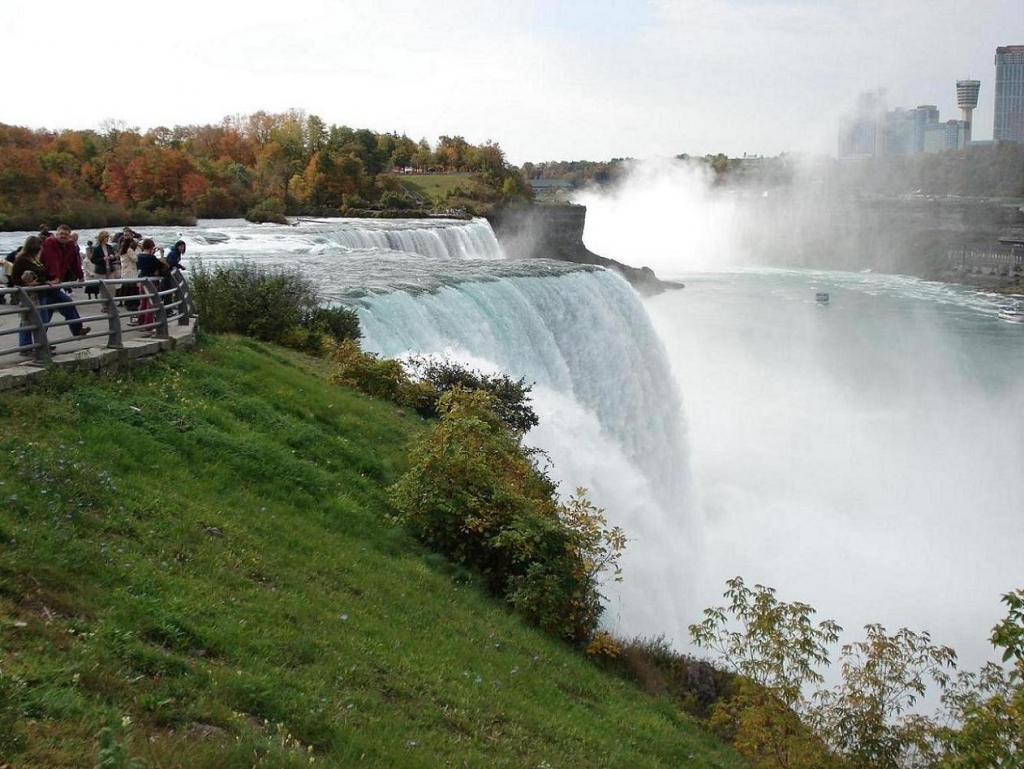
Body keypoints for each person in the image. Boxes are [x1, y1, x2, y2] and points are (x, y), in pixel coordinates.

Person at [35, 228, 90, 337]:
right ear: (56, 234)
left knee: (52, 310)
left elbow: (75, 261)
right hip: (46, 282)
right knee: (56, 307)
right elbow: (52, 260)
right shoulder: (50, 242)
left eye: (66, 234)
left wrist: (80, 276)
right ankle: (76, 330)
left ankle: (41, 340)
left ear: (69, 236)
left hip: (54, 284)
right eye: (61, 234)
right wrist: (55, 276)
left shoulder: (70, 246)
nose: (63, 236)